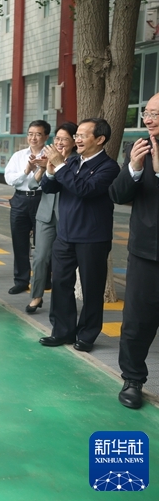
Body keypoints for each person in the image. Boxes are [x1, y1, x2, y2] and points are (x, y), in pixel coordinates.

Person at [38, 118, 119, 352]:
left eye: (83, 135)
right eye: (77, 135)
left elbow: (86, 190)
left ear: (100, 139)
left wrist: (60, 167)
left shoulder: (109, 167)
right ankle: (62, 331)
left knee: (92, 288)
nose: (77, 139)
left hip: (93, 237)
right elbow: (50, 187)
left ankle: (87, 335)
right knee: (61, 284)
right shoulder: (72, 162)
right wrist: (52, 172)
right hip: (65, 235)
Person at [110, 98, 159, 409]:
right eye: (147, 113)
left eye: (154, 114)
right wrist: (135, 168)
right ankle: (133, 379)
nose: (149, 119)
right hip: (145, 252)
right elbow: (118, 194)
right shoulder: (139, 148)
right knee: (136, 321)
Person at [26, 123, 77, 314]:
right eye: (57, 139)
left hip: (67, 217)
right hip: (46, 216)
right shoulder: (47, 157)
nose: (60, 142)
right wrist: (43, 168)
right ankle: (36, 296)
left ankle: (60, 300)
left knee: (63, 262)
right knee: (40, 257)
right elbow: (32, 185)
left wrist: (59, 165)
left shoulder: (77, 160)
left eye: (64, 139)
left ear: (74, 141)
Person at [4, 120, 51, 295]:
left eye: (38, 134)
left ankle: (44, 279)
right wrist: (26, 170)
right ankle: (21, 280)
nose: (33, 137)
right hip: (20, 200)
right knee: (19, 241)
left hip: (42, 199)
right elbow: (9, 179)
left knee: (43, 243)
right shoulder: (19, 156)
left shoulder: (51, 154)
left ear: (46, 136)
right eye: (30, 133)